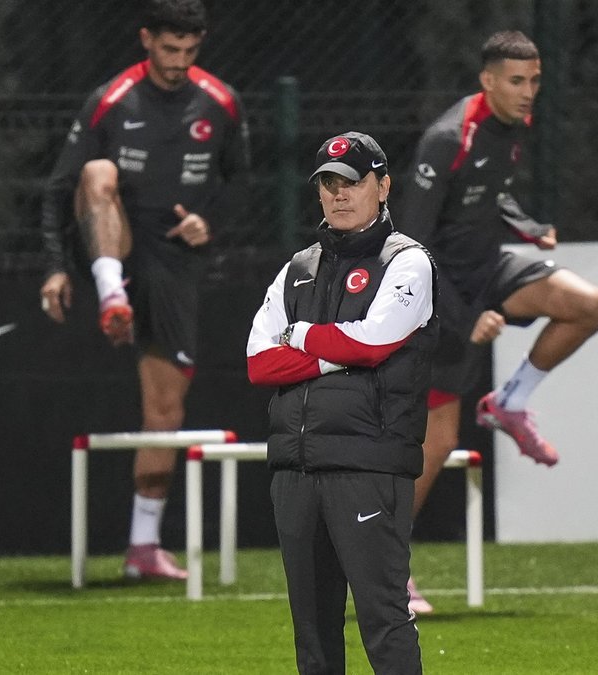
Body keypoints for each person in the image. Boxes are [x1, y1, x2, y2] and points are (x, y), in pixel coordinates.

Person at [395, 30, 598, 613]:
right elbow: (409, 245)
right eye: (517, 81)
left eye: (535, 80)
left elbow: (491, 196)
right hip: (438, 290)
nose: (528, 91)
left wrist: (528, 227)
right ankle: (387, 569)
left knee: (589, 305)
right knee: (436, 441)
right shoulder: (448, 138)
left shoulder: (514, 124)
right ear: (487, 81)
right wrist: (463, 318)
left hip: (489, 268)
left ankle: (509, 403)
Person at [38, 0, 250, 579]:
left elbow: (239, 182)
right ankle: (112, 293)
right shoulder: (112, 99)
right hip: (111, 239)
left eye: (190, 51)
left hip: (173, 258)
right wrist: (56, 267)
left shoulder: (222, 102)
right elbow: (60, 188)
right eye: (169, 49)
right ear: (146, 40)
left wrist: (209, 222)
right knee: (96, 173)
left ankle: (142, 546)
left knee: (165, 408)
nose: (178, 61)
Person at [247, 131, 436, 674]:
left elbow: (375, 344)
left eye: (352, 181)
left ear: (384, 186)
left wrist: (302, 336)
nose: (338, 194)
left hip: (369, 464)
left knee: (383, 618)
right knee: (312, 632)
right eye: (328, 183)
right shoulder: (297, 268)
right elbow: (259, 362)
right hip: (297, 468)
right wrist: (338, 354)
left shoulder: (407, 262)